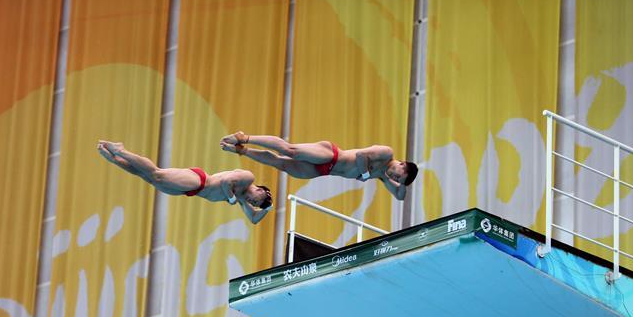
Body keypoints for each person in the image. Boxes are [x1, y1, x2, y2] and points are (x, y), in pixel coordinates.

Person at [97, 140, 272, 224]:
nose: (251, 201)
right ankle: (121, 150)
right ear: (260, 190)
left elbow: (254, 218)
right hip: (199, 181)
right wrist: (231, 198)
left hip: (191, 191)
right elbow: (226, 181)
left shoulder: (241, 197)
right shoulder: (248, 178)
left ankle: (116, 160)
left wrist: (268, 208)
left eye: (253, 203)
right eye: (255, 199)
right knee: (156, 174)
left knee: (148, 178)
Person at [220, 132, 418, 200]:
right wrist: (366, 174)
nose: (395, 178)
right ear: (402, 163)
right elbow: (360, 156)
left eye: (397, 180)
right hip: (330, 156)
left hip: (324, 172)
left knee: (281, 164)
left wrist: (403, 183)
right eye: (399, 175)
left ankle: (242, 151)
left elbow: (400, 197)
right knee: (290, 151)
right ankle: (244, 138)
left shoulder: (383, 175)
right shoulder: (387, 153)